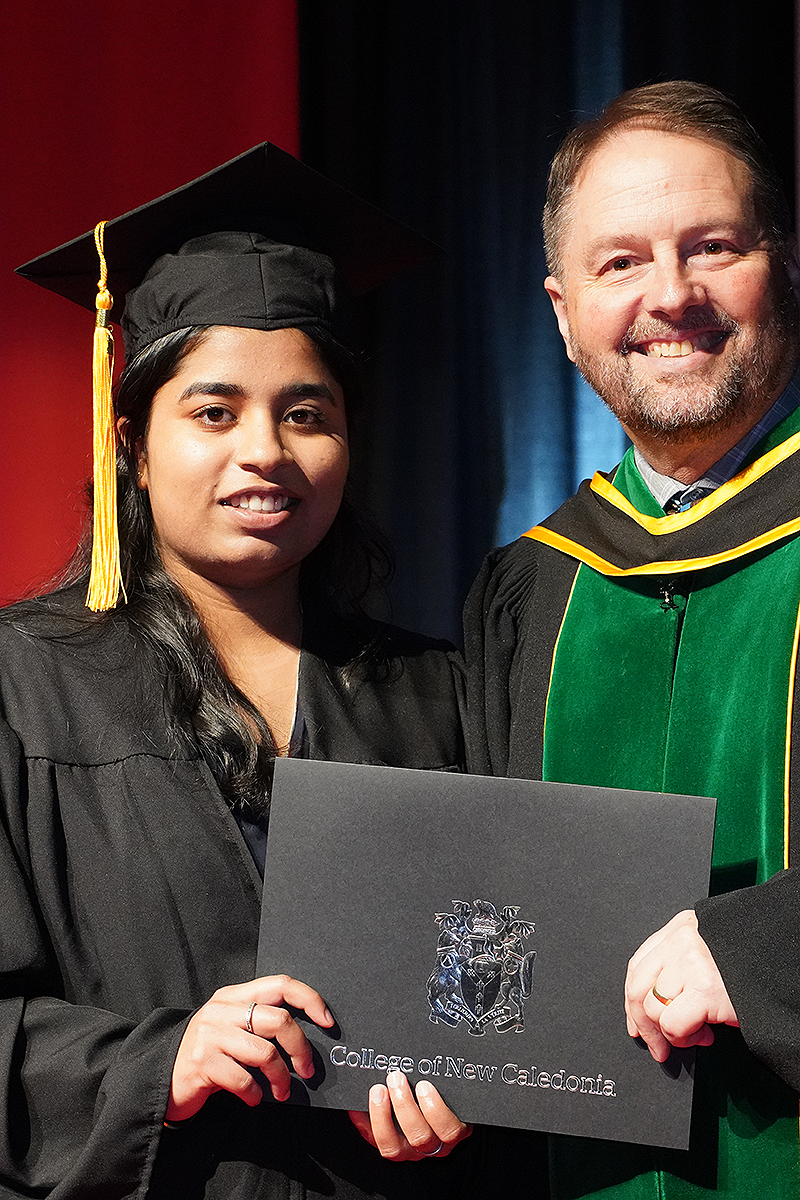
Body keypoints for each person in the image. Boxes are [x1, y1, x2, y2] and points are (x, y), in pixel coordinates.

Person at [2, 144, 475, 1198]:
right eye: (213, 412)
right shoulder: (20, 686)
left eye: (306, 413)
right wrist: (154, 1065)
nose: (264, 450)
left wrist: (469, 1092)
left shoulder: (436, 694)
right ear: (132, 444)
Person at [465, 81, 800, 1197]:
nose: (671, 295)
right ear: (563, 314)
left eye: (712, 247)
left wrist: (764, 954)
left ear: (782, 264)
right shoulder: (535, 587)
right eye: (619, 263)